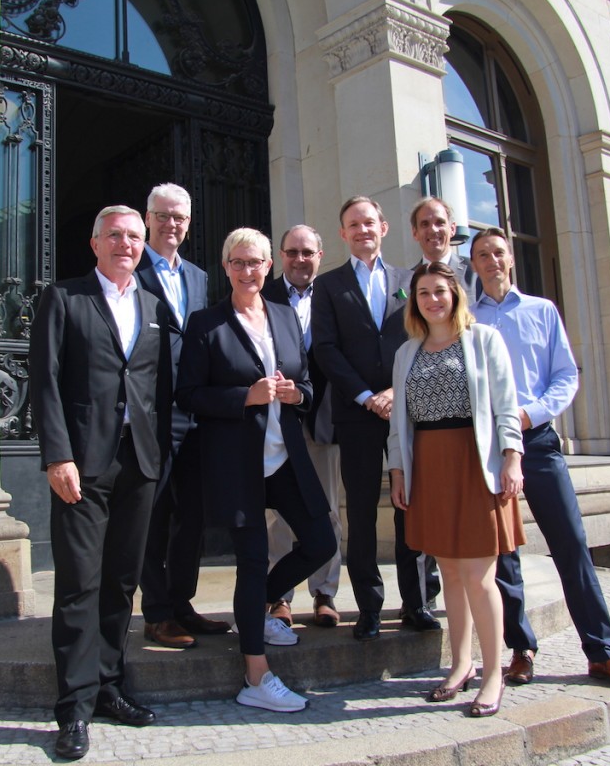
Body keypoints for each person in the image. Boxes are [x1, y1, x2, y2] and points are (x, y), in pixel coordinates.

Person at [468, 227, 610, 689]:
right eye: (481, 255)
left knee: (570, 543)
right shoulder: (468, 319)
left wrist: (530, 415)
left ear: (510, 259)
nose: (490, 260)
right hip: (489, 447)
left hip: (539, 441)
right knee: (503, 553)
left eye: (497, 252)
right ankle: (521, 649)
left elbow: (565, 377)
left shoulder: (541, 311)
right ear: (473, 265)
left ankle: (601, 652)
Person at [29, 206, 171, 760]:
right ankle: (73, 708)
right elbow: (45, 380)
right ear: (94, 243)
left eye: (135, 236)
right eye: (114, 235)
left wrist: (159, 459)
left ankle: (110, 686)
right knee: (78, 586)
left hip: (139, 465)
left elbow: (160, 388)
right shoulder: (64, 298)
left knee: (121, 583)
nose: (125, 243)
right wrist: (56, 455)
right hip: (81, 466)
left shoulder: (154, 307)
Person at [176, 228, 336, 712]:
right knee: (250, 559)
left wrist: (297, 394)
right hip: (237, 462)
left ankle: (255, 609)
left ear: (270, 267)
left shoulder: (285, 317)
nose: (248, 271)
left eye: (257, 262)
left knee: (322, 542)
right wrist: (244, 396)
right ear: (225, 267)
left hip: (285, 455)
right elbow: (188, 395)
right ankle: (255, 674)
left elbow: (307, 383)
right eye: (239, 262)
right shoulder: (205, 324)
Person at [388, 261, 524, 717]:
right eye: (423, 293)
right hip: (428, 465)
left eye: (440, 291)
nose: (432, 300)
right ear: (415, 301)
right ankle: (461, 664)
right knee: (448, 573)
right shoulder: (407, 352)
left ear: (456, 295)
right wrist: (399, 471)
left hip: (476, 461)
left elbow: (507, 403)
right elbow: (399, 424)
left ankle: (492, 674)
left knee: (479, 577)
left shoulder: (484, 340)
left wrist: (512, 456)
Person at [311, 196, 440, 642]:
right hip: (357, 413)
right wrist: (367, 396)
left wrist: (395, 392)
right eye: (353, 224)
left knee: (413, 506)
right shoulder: (329, 286)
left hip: (408, 411)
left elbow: (424, 338)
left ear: (384, 227)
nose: (363, 230)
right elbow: (325, 349)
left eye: (370, 222)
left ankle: (417, 602)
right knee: (361, 512)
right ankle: (368, 607)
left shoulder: (412, 280)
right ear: (343, 234)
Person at [135, 183, 229, 649]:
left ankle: (183, 603)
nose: (172, 224)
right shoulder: (129, 270)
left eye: (181, 218)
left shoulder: (197, 276)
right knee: (154, 514)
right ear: (147, 217)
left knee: (192, 514)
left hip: (193, 411)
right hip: (149, 410)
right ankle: (155, 611)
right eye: (164, 215)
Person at [262, 224, 343, 629]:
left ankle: (325, 592)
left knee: (327, 508)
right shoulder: (265, 294)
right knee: (278, 514)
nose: (299, 259)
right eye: (291, 252)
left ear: (319, 256)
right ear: (280, 257)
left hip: (323, 418)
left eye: (307, 252)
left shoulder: (333, 295)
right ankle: (279, 595)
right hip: (278, 422)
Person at [410, 196, 478, 303]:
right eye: (425, 224)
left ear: (452, 229)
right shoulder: (407, 280)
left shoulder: (475, 271)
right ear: (415, 233)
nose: (433, 230)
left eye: (440, 222)